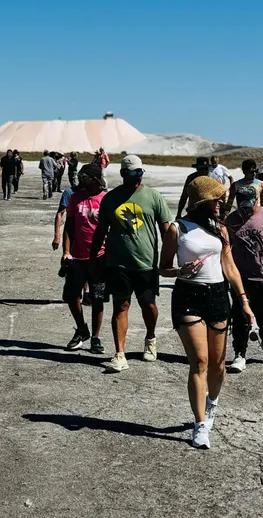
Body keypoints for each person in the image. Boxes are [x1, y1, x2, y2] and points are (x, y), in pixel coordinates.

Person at [158, 176, 253, 449]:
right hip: (188, 296)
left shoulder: (220, 229)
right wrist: (180, 271)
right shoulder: (177, 228)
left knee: (218, 364)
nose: (221, 203)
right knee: (200, 361)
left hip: (218, 296)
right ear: (202, 201)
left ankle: (212, 402)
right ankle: (200, 425)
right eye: (216, 199)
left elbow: (229, 267)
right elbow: (163, 267)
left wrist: (244, 301)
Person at [89, 155, 172, 372]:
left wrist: (169, 259)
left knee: (149, 305)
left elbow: (166, 230)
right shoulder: (110, 199)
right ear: (123, 173)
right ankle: (119, 354)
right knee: (121, 306)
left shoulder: (153, 196)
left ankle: (151, 338)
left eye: (140, 172)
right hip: (118, 263)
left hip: (146, 263)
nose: (137, 176)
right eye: (133, 173)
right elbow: (100, 231)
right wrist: (93, 258)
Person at [225, 179, 263, 370]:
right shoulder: (232, 220)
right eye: (242, 207)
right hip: (239, 279)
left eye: (248, 206)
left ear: (256, 201)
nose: (245, 210)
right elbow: (225, 249)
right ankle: (239, 354)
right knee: (239, 317)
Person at [61, 164, 107, 354]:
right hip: (77, 256)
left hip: (100, 257)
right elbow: (69, 226)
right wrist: (66, 251)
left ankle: (95, 337)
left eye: (85, 179)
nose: (81, 182)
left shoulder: (105, 199)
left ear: (95, 179)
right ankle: (81, 329)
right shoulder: (75, 198)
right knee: (71, 296)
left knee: (97, 299)